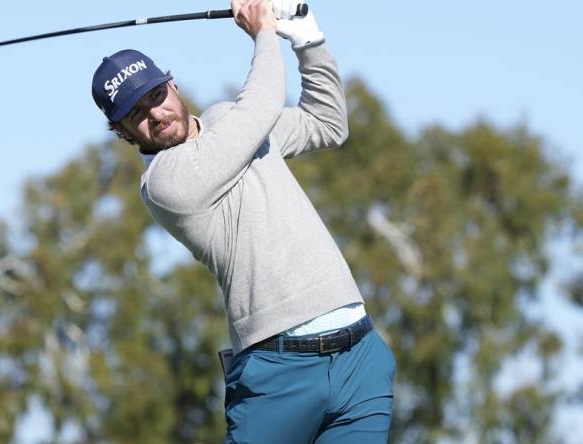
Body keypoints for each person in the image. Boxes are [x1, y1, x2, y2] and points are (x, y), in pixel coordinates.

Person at [91, 1, 395, 442]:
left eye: (156, 96)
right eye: (136, 113)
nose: (155, 114)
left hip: (359, 359)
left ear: (172, 86)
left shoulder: (227, 118)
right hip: (278, 372)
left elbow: (327, 123)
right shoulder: (164, 184)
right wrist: (265, 32)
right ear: (122, 132)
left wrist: (308, 36)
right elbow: (261, 106)